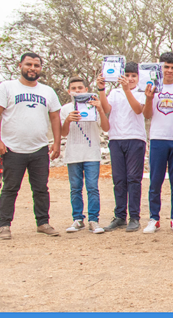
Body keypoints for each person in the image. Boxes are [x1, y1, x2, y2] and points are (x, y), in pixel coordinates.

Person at [0, 52, 62, 240]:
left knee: (41, 188)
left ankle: (43, 223)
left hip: (39, 148)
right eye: (29, 64)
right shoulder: (7, 87)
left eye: (36, 65)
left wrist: (57, 142)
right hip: (12, 148)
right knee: (10, 188)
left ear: (40, 68)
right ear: (20, 66)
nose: (32, 68)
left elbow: (55, 117)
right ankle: (4, 225)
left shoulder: (47, 91)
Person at [143, 51, 173, 234]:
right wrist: (148, 98)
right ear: (160, 67)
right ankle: (154, 218)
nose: (169, 71)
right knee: (155, 181)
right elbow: (147, 115)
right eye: (166, 67)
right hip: (157, 139)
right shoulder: (152, 88)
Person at [99, 62, 146, 233]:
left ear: (138, 77)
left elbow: (138, 110)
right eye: (127, 75)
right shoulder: (115, 92)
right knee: (119, 179)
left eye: (134, 76)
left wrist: (127, 90)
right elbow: (106, 108)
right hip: (116, 138)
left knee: (133, 179)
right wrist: (101, 89)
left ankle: (134, 217)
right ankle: (120, 216)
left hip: (135, 138)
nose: (130, 79)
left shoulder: (141, 92)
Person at [61, 76, 110, 234]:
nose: (77, 91)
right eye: (73, 88)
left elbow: (106, 127)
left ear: (86, 90)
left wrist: (100, 109)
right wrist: (68, 120)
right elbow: (62, 133)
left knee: (92, 188)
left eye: (80, 88)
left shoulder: (94, 106)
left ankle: (94, 220)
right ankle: (77, 219)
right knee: (75, 188)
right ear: (69, 91)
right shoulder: (65, 109)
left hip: (91, 154)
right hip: (73, 154)